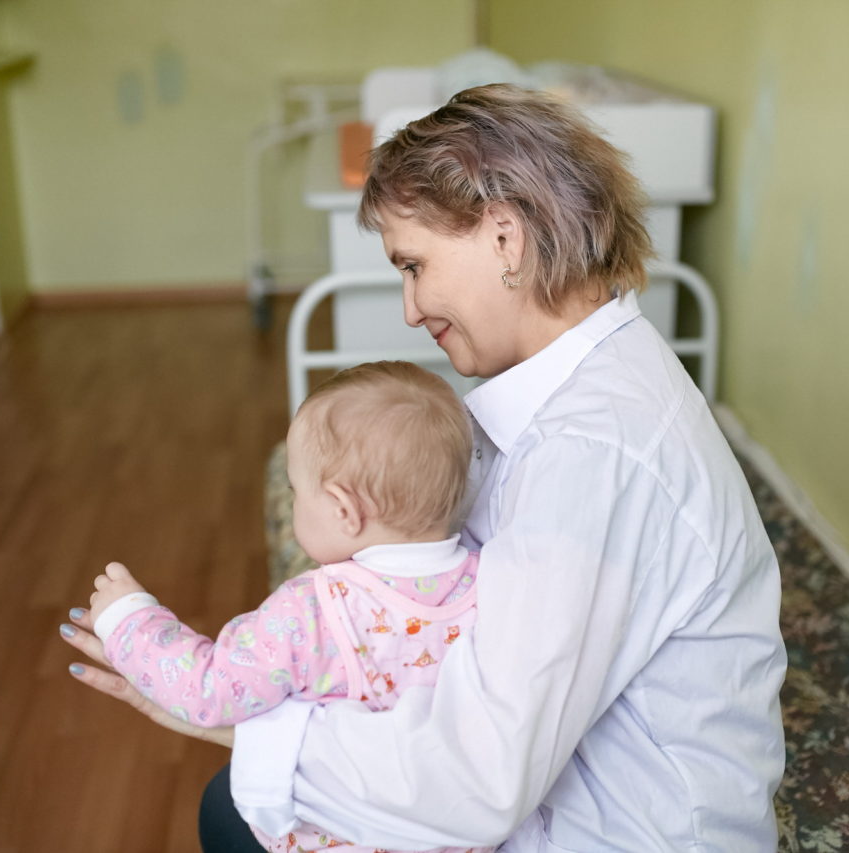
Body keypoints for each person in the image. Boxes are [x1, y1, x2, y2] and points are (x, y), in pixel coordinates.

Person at [62, 83, 787, 851]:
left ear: (505, 237)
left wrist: (237, 719)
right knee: (233, 806)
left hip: (617, 830)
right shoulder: (581, 389)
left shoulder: (593, 451)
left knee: (232, 814)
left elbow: (480, 781)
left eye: (414, 265)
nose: (409, 309)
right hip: (555, 787)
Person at [79, 361, 490, 853]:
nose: (293, 502)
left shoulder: (311, 611)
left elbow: (209, 689)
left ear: (343, 510)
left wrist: (128, 618)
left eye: (296, 491)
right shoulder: (491, 584)